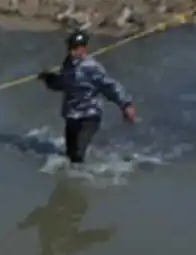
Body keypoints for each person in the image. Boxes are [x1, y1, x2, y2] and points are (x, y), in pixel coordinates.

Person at [38, 30, 137, 165]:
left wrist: (125, 105)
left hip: (90, 115)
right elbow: (62, 84)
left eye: (76, 48)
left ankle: (87, 177)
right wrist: (48, 78)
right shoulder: (67, 65)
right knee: (70, 156)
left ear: (84, 48)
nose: (72, 52)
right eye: (71, 48)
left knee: (78, 154)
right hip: (72, 115)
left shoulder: (92, 67)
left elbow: (110, 86)